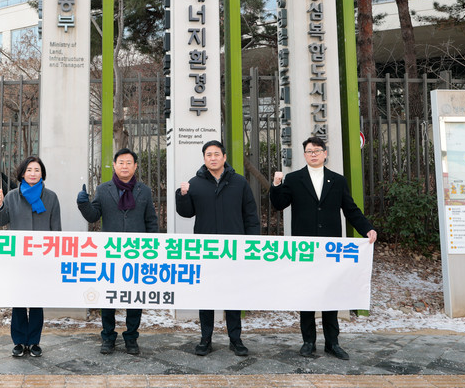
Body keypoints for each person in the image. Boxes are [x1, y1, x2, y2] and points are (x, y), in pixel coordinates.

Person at [269, 136, 378, 361]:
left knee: (331, 294)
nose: (314, 154)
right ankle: (308, 341)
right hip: (305, 248)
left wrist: (366, 228)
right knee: (307, 294)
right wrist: (276, 185)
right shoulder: (294, 178)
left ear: (325, 154)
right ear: (304, 155)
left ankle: (332, 343)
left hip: (330, 248)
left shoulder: (337, 180)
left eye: (317, 150)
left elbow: (350, 209)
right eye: (310, 151)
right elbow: (279, 204)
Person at [175, 140, 259, 357]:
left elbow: (250, 215)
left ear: (224, 157)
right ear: (204, 158)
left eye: (216, 154)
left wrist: (252, 244)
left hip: (234, 249)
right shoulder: (195, 183)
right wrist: (182, 196)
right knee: (206, 295)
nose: (213, 158)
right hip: (206, 250)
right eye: (208, 155)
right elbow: (186, 213)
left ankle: (235, 339)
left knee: (233, 295)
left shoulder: (239, 182)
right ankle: (205, 339)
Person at [77, 148, 159, 355]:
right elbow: (93, 216)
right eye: (121, 162)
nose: (124, 166)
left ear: (135, 166)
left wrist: (153, 247)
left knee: (135, 297)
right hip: (110, 252)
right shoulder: (103, 190)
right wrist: (83, 203)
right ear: (114, 165)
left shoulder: (144, 191)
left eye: (129, 162)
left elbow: (151, 220)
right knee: (108, 297)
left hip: (138, 252)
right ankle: (108, 336)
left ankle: (131, 337)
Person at [0, 156, 61, 358]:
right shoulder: (12, 196)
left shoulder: (51, 197)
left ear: (42, 174)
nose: (33, 173)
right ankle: (19, 341)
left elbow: (56, 229)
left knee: (37, 300)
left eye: (37, 170)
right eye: (29, 170)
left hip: (42, 256)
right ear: (22, 173)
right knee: (19, 299)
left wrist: (54, 256)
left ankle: (34, 341)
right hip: (19, 257)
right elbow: (1, 221)